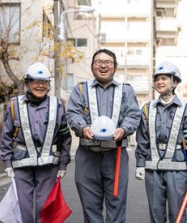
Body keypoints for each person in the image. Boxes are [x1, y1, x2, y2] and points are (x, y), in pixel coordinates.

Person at [66, 48, 141, 223]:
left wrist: (123, 129)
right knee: (90, 207)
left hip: (116, 155)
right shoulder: (80, 89)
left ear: (114, 67)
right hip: (87, 155)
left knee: (117, 204)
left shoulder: (126, 91)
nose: (103, 66)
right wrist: (83, 127)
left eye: (108, 62)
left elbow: (133, 115)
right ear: (92, 67)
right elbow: (73, 113)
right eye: (98, 62)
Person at [0, 62, 72, 223]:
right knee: (24, 209)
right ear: (27, 83)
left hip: (48, 166)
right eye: (35, 81)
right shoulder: (14, 105)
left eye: (44, 82)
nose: (40, 86)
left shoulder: (57, 105)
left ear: (48, 85)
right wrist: (7, 163)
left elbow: (65, 137)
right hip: (21, 165)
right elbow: (6, 136)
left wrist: (63, 164)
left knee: (43, 208)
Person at [135, 61, 187, 223]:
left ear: (175, 82)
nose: (159, 82)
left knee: (177, 213)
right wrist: (140, 163)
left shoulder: (186, 108)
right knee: (156, 214)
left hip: (177, 170)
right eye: (157, 79)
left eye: (164, 78)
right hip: (153, 169)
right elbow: (142, 138)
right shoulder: (147, 108)